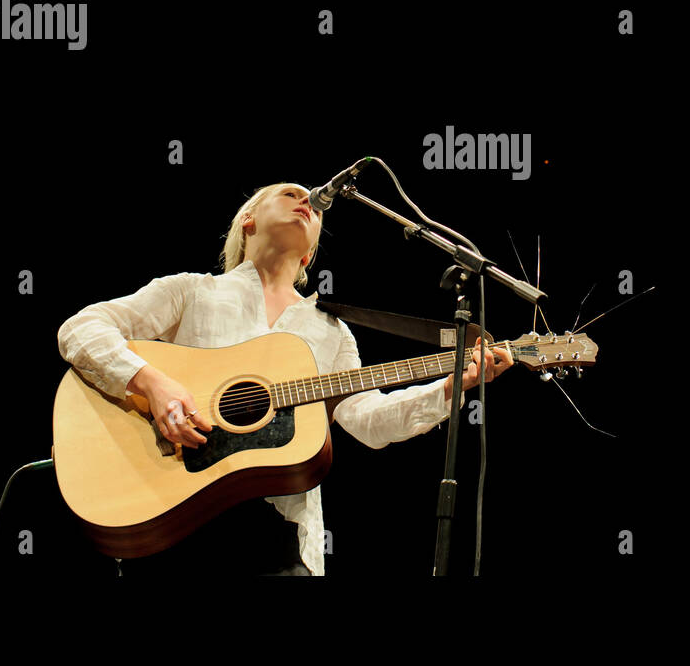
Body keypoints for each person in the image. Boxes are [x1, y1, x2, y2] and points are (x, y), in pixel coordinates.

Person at [56, 181, 511, 575]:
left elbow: (368, 422)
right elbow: (81, 330)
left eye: (311, 204)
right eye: (289, 194)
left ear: (311, 251)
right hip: (175, 515)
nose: (305, 201)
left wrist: (450, 387)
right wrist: (153, 385)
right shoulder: (191, 291)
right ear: (248, 220)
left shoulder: (331, 330)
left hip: (281, 537)